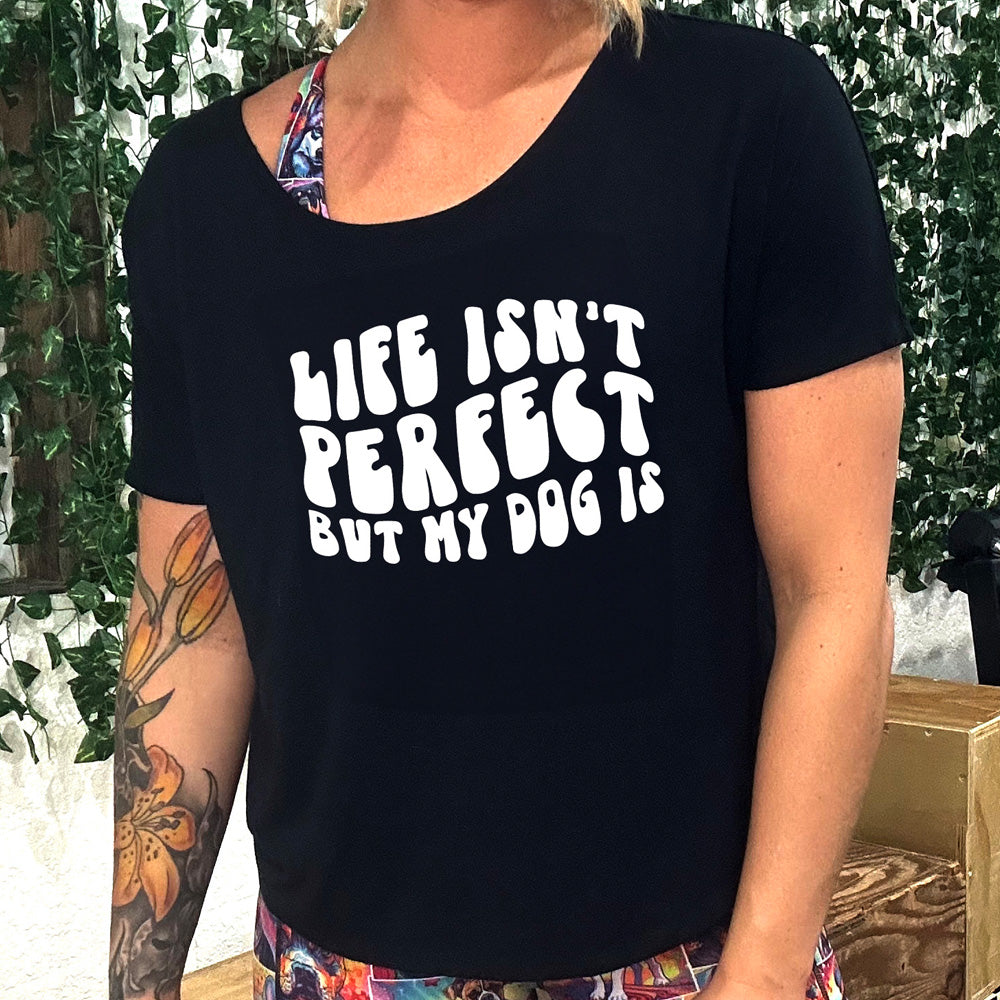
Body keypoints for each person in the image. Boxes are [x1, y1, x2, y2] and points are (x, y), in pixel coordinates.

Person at [109, 0, 914, 997]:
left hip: (696, 969)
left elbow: (832, 593)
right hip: (338, 971)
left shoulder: (745, 120)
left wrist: (762, 972)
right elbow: (192, 629)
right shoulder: (202, 204)